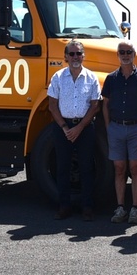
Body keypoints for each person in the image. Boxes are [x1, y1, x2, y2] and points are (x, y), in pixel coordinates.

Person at [46, 40, 102, 220]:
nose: (75, 57)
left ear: (83, 56)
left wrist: (79, 127)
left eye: (78, 53)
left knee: (87, 168)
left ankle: (87, 207)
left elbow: (95, 106)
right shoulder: (57, 77)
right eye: (72, 54)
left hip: (85, 127)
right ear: (66, 57)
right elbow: (52, 106)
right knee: (62, 168)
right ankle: (64, 207)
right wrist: (64, 127)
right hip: (63, 128)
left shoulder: (92, 78)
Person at [103, 41, 137, 224]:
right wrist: (108, 126)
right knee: (119, 168)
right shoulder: (111, 79)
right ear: (117, 55)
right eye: (122, 52)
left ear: (134, 54)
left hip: (136, 128)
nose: (125, 55)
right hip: (116, 128)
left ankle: (135, 209)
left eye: (128, 52)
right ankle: (120, 207)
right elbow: (105, 104)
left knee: (136, 168)